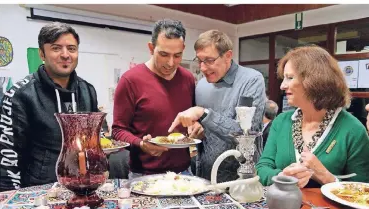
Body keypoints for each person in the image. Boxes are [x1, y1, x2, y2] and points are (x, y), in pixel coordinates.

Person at [0, 22, 99, 191]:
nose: (65, 55)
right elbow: (8, 158)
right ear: (42, 54)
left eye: (72, 49)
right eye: (56, 48)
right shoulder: (19, 95)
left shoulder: (87, 90)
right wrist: (10, 200)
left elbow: (96, 138)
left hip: (83, 187)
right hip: (39, 192)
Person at [256, 45, 369, 188]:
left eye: (290, 78)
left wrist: (326, 177)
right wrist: (281, 177)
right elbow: (262, 167)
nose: (282, 86)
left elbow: (363, 190)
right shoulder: (280, 122)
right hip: (282, 208)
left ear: (315, 81)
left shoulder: (353, 129)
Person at [168, 30, 266, 183]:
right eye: (199, 60)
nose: (203, 68)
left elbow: (245, 134)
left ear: (228, 56)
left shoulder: (251, 80)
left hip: (241, 180)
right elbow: (205, 128)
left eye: (209, 60)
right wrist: (197, 129)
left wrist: (204, 114)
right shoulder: (201, 86)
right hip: (205, 177)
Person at [112, 19, 202, 179]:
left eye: (177, 55)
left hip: (184, 173)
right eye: (164, 54)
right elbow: (118, 130)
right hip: (144, 175)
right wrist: (141, 143)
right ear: (151, 48)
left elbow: (191, 118)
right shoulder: (130, 80)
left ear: (183, 50)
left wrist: (196, 126)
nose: (170, 63)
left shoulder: (187, 78)